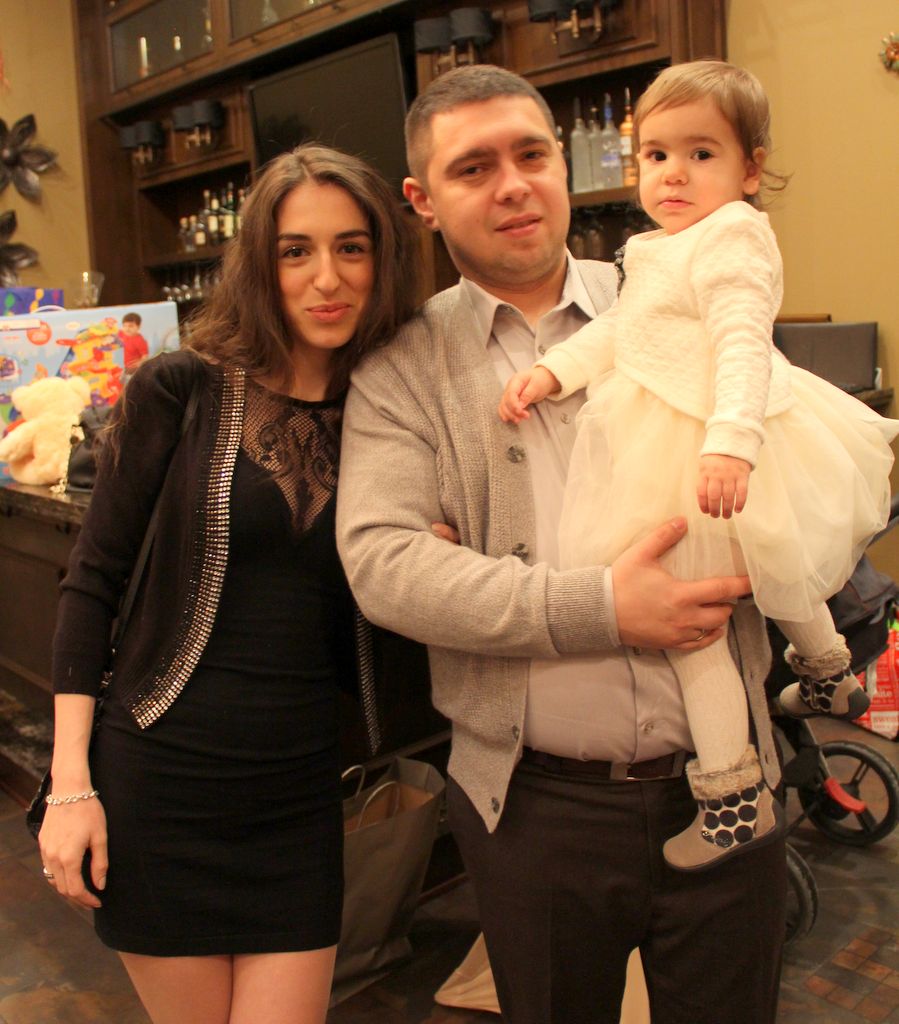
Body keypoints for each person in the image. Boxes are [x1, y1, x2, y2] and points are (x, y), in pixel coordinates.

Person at [336, 64, 785, 1024]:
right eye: (473, 168)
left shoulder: (674, 283)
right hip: (534, 811)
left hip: (730, 784)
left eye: (531, 154)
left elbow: (780, 444)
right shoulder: (400, 369)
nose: (512, 185)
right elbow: (386, 566)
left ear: (564, 165)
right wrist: (601, 607)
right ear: (422, 199)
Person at [38, 143, 418, 1024]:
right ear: (259, 264)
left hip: (299, 794)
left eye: (351, 247)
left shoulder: (390, 411)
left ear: (382, 259)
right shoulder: (181, 389)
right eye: (296, 251)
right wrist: (69, 785)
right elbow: (90, 584)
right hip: (161, 783)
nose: (327, 277)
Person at [498, 59, 898, 872]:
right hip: (672, 441)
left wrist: (730, 443)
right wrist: (554, 372)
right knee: (775, 564)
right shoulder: (654, 249)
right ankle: (829, 677)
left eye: (700, 154)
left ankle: (731, 800)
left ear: (750, 169)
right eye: (655, 155)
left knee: (692, 629)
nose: (672, 173)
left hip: (715, 443)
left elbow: (744, 342)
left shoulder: (731, 237)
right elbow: (621, 333)